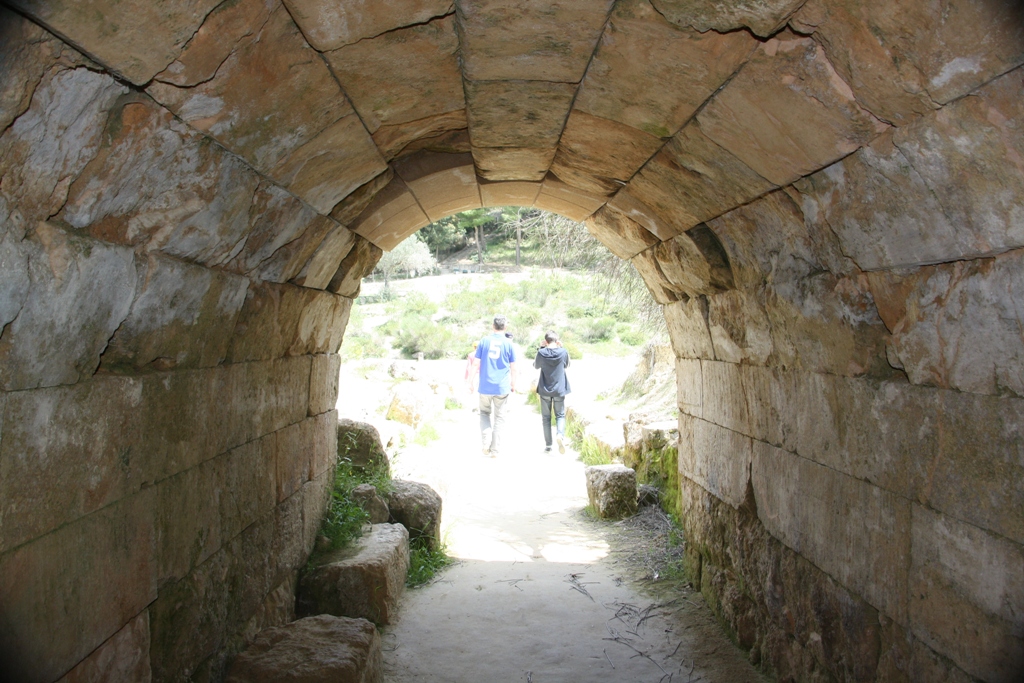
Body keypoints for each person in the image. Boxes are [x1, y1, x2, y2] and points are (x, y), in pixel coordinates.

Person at [474, 315, 517, 457]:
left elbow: (476, 363)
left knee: (485, 413)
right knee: (500, 417)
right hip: (502, 387)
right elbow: (513, 367)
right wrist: (513, 383)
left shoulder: (484, 341)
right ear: (505, 328)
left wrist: (469, 382)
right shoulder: (509, 343)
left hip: (485, 386)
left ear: (493, 326)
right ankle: (495, 449)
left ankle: (485, 443)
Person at [534, 330, 570, 454]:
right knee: (560, 415)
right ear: (557, 340)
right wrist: (562, 346)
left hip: (545, 389)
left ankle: (548, 445)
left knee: (546, 418)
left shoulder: (542, 352)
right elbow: (567, 365)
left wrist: (541, 347)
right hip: (559, 389)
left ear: (546, 340)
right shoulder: (563, 352)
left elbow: (536, 365)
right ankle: (560, 435)